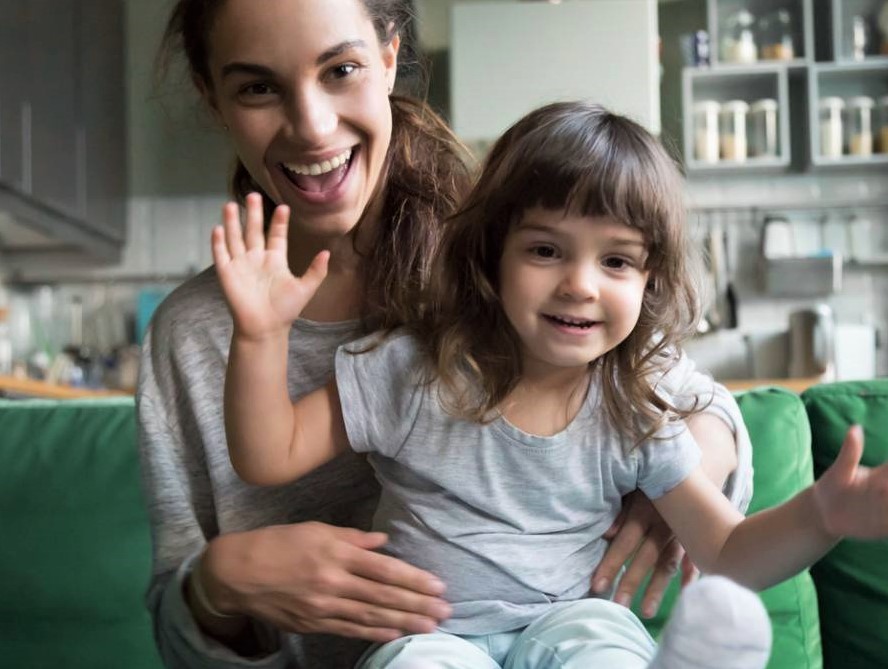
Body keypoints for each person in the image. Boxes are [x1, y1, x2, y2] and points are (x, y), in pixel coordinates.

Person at [212, 101, 888, 669]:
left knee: (602, 651)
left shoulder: (632, 406)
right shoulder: (413, 367)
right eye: (545, 249)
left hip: (572, 623)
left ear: (649, 280)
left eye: (616, 261)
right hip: (432, 637)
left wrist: (821, 513)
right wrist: (259, 333)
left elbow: (730, 551)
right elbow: (267, 453)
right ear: (491, 257)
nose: (579, 283)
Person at [138, 2, 754, 667]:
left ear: (387, 56)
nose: (312, 127)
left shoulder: (507, 259)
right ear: (213, 96)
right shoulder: (194, 333)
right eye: (257, 87)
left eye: (340, 69)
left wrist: (680, 465)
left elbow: (682, 398)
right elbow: (180, 638)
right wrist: (221, 581)